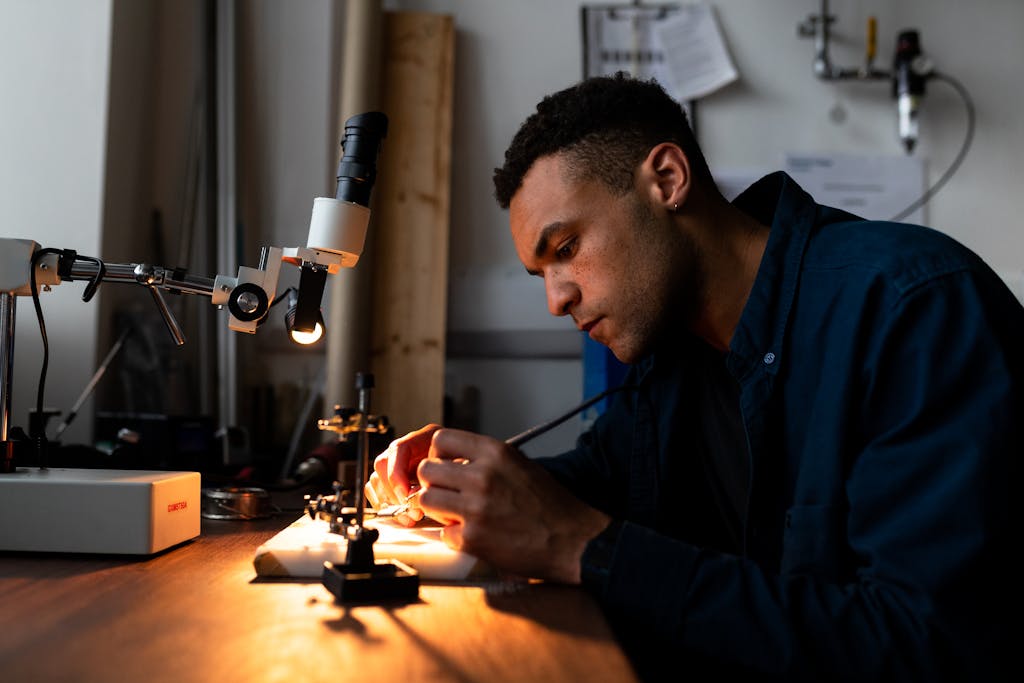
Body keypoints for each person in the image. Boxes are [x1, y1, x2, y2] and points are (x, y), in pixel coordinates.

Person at [365, 73, 1018, 681]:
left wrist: (582, 547)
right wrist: (457, 486)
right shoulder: (672, 353)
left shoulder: (914, 310)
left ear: (668, 179)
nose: (556, 300)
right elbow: (602, 479)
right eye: (541, 274)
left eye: (565, 250)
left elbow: (924, 645)